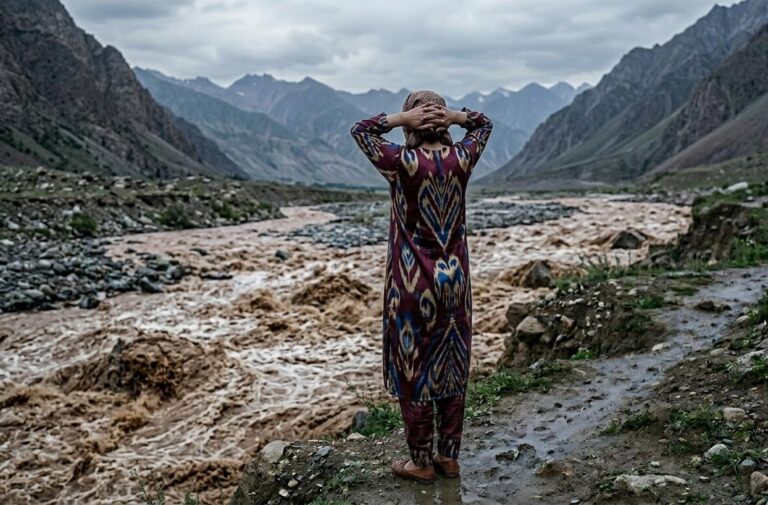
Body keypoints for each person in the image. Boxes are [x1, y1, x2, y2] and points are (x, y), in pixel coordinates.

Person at [350, 90, 493, 484]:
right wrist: (455, 115)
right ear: (443, 123)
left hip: (412, 283)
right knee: (452, 361)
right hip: (456, 282)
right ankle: (449, 458)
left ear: (413, 125)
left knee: (413, 368)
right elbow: (484, 125)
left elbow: (361, 131)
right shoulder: (462, 158)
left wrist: (399, 120)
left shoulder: (401, 162)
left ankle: (420, 462)